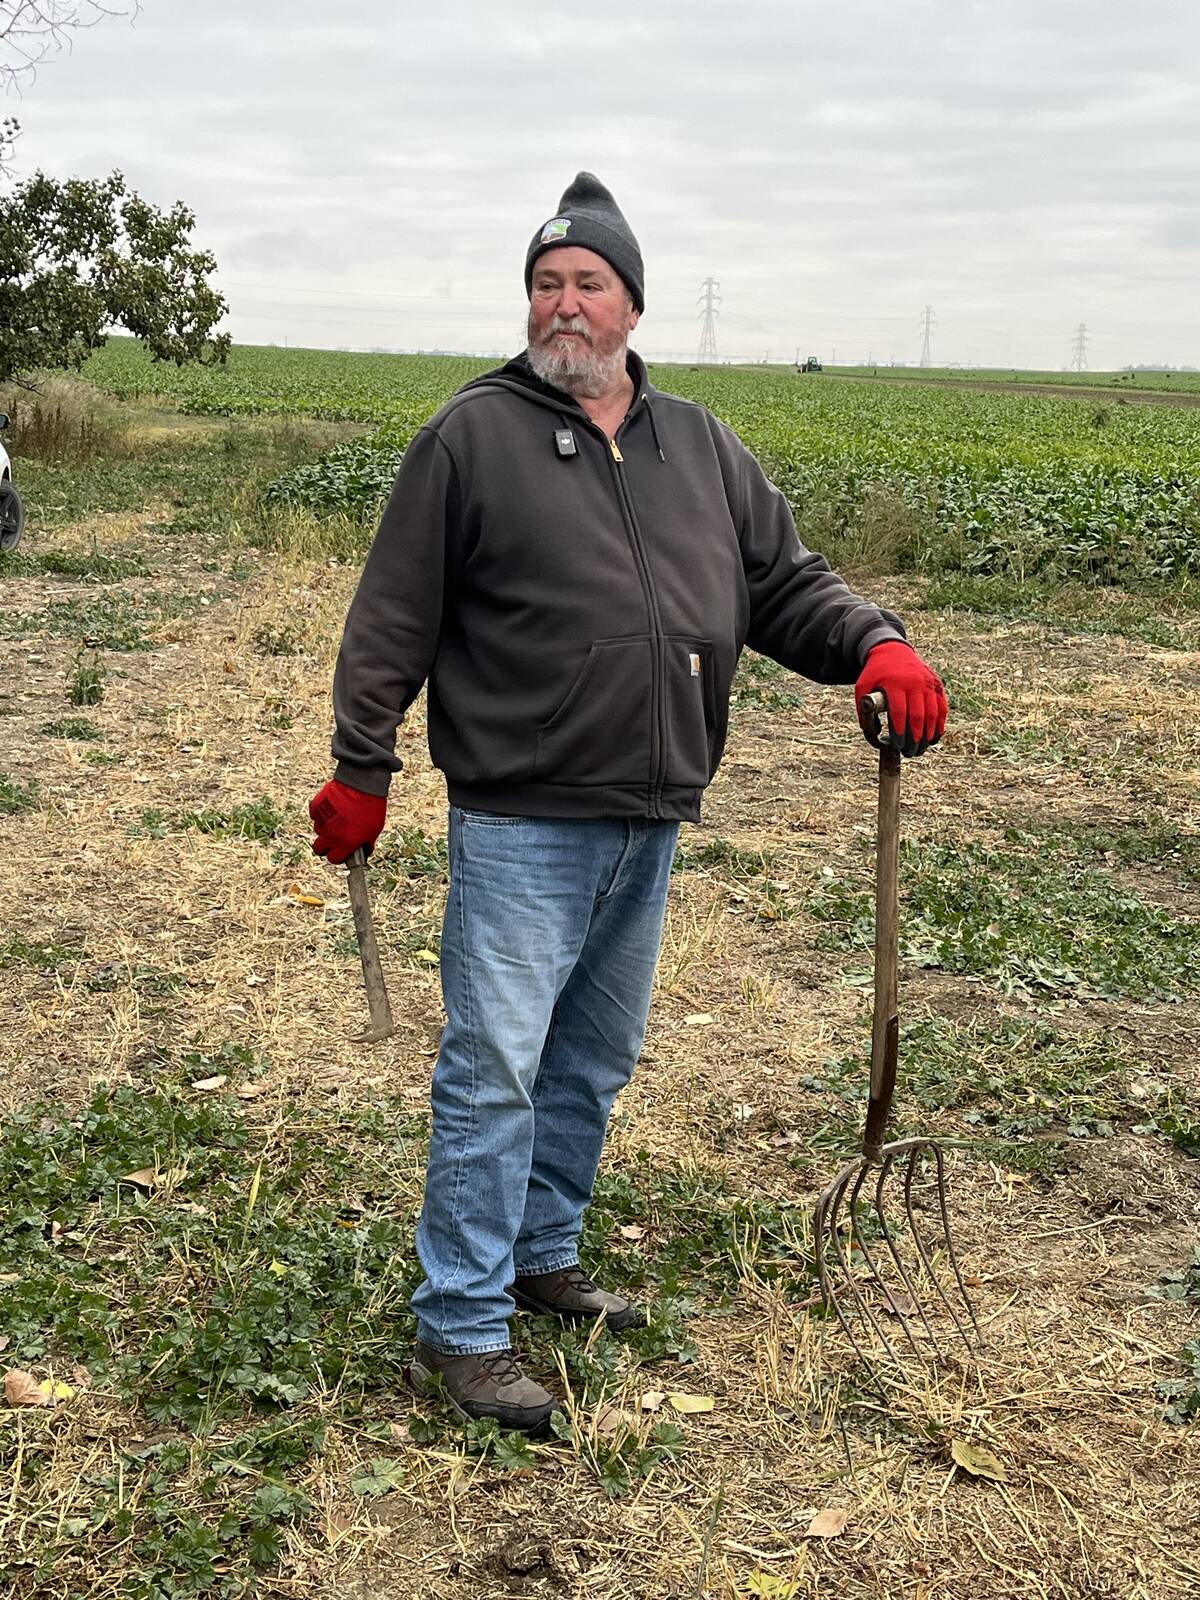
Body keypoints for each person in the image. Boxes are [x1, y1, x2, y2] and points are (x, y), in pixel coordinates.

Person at [310, 173, 948, 1436]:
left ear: (632, 305)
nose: (563, 304)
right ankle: (463, 1322)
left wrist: (875, 644)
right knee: (495, 1064)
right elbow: (392, 617)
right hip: (520, 814)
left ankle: (542, 1257)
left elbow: (782, 583)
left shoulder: (697, 444)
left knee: (588, 1061)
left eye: (586, 282)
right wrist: (360, 765)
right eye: (544, 283)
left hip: (650, 809)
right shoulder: (471, 437)